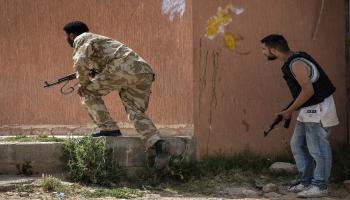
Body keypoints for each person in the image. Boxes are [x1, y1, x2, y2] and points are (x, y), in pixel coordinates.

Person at [63, 21, 169, 169]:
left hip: (121, 68)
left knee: (86, 92)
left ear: (71, 35)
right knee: (135, 112)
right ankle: (158, 145)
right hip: (143, 71)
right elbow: (104, 64)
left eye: (66, 37)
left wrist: (84, 83)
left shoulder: (82, 38)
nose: (67, 40)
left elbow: (80, 62)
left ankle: (109, 128)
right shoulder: (102, 41)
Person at [261, 34, 339, 198]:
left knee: (318, 148)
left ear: (274, 50)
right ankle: (306, 181)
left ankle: (320, 185)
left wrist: (290, 110)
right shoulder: (293, 60)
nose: (263, 52)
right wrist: (289, 109)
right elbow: (303, 93)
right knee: (298, 145)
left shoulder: (296, 64)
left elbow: (308, 91)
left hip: (318, 108)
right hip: (308, 108)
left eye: (264, 49)